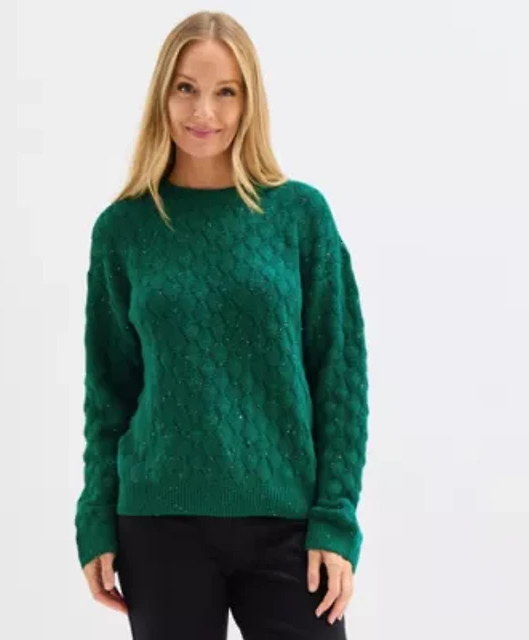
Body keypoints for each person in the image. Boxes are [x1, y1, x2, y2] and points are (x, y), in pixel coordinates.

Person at [74, 10, 369, 640]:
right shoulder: (124, 229)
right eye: (186, 88)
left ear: (249, 101)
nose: (203, 110)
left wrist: (336, 518)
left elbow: (339, 375)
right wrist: (96, 515)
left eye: (225, 91)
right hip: (159, 525)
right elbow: (109, 393)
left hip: (289, 525)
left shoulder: (299, 215)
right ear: (163, 95)